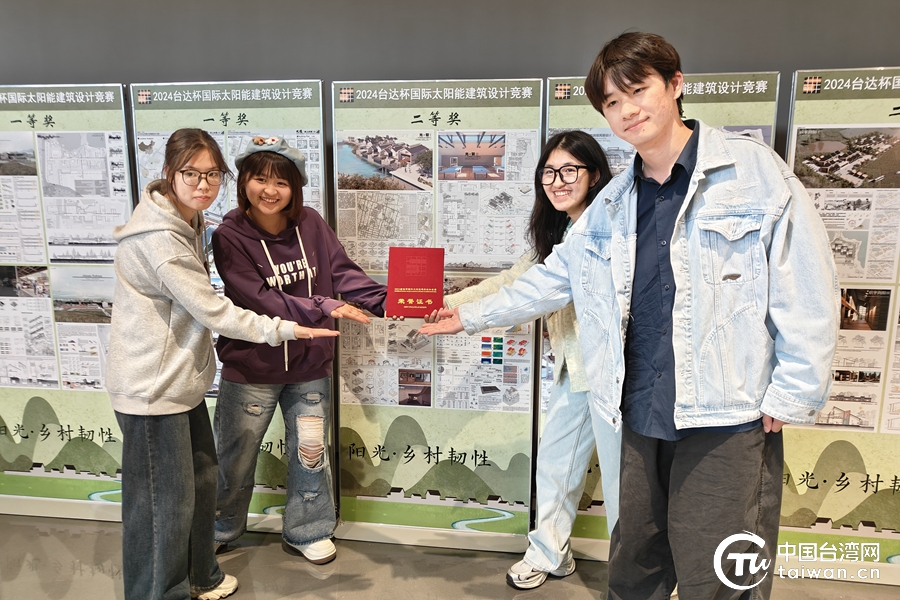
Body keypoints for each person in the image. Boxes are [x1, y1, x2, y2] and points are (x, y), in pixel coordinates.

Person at [420, 32, 838, 599]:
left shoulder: (754, 173)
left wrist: (794, 391)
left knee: (721, 573)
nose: (627, 111)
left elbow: (807, 285)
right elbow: (551, 277)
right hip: (638, 412)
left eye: (638, 90)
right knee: (635, 566)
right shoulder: (615, 201)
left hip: (726, 415)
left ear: (675, 85)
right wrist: (467, 316)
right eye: (612, 102)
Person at [106, 128, 338, 600]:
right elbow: (216, 310)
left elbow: (342, 270)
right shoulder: (166, 238)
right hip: (153, 385)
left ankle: (201, 575)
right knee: (163, 505)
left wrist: (382, 300)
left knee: (200, 482)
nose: (203, 183)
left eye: (212, 174)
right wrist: (293, 327)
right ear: (169, 173)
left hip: (182, 380)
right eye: (191, 173)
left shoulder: (189, 220)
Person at [426, 131, 619, 590]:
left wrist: (465, 316)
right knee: (555, 464)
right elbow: (514, 281)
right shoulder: (557, 234)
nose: (558, 181)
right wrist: (451, 304)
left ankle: (639, 572)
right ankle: (551, 553)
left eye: (569, 170)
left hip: (615, 375)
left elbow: (541, 293)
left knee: (623, 481)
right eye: (549, 172)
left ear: (594, 175)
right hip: (574, 370)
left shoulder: (610, 226)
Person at [211, 136, 390, 564]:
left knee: (310, 453)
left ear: (296, 187)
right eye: (260, 179)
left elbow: (342, 272)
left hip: (310, 367)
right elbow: (259, 299)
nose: (270, 190)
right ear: (244, 182)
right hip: (251, 367)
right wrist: (323, 306)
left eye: (281, 182)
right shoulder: (229, 235)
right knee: (234, 457)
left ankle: (307, 529)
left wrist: (388, 301)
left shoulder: (310, 223)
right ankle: (218, 528)